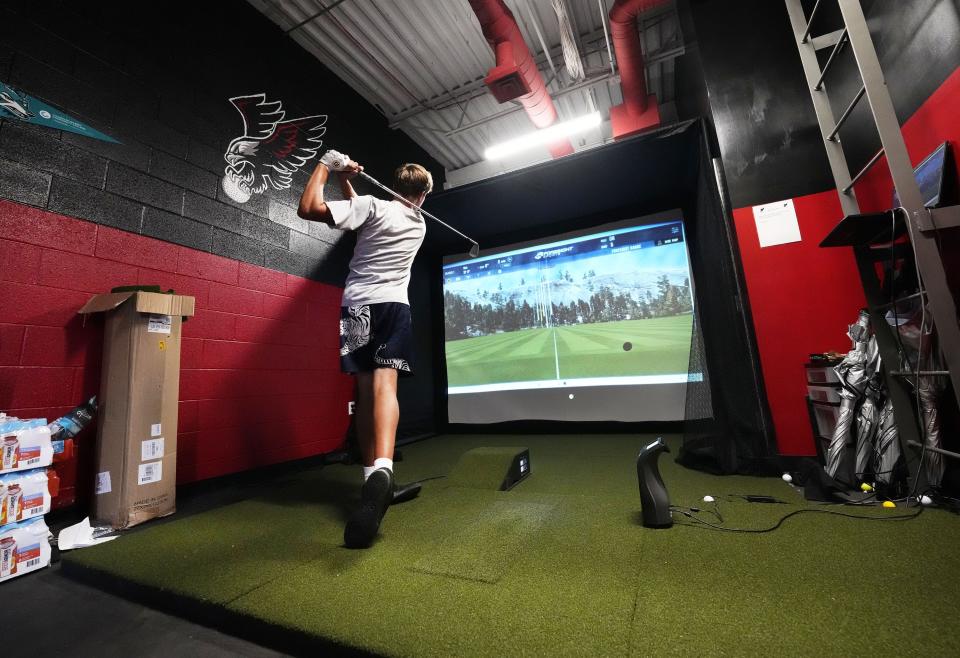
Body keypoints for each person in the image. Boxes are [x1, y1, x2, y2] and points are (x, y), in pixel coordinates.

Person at [298, 149, 431, 548]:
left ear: (395, 185)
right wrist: (345, 179)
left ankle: (370, 477)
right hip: (394, 306)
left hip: (358, 305)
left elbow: (308, 208)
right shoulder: (419, 223)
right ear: (422, 195)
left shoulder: (374, 207)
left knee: (362, 393)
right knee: (384, 389)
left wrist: (326, 164)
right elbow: (359, 211)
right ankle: (384, 473)